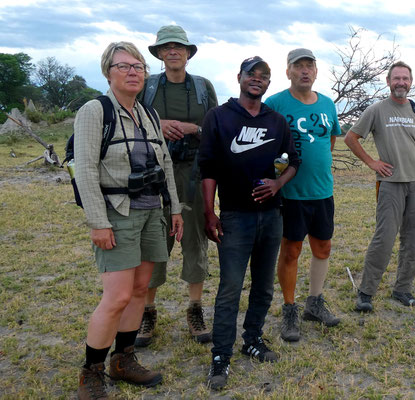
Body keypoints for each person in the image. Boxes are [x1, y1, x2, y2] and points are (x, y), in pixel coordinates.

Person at [74, 41, 183, 399]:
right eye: (124, 66)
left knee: (140, 290)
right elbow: (86, 169)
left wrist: (176, 209)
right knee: (116, 296)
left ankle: (124, 360)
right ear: (108, 72)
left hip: (152, 212)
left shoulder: (147, 113)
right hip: (117, 212)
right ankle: (91, 371)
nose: (133, 71)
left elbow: (165, 164)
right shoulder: (95, 110)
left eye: (138, 66)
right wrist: (97, 221)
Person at [198, 56, 299, 390]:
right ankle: (221, 356)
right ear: (239, 77)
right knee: (229, 288)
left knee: (264, 285)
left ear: (269, 83)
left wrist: (277, 184)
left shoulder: (277, 121)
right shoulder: (219, 117)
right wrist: (209, 212)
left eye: (264, 76)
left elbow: (292, 163)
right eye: (251, 74)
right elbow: (208, 167)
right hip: (234, 217)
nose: (257, 80)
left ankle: (252, 339)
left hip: (271, 216)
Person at [134, 25, 218, 347]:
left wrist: (192, 127)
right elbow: (132, 119)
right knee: (154, 240)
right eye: (166, 47)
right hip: (153, 172)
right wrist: (159, 125)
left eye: (179, 47)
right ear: (158, 53)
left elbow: (215, 127)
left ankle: (195, 309)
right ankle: (148, 311)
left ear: (188, 53)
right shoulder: (148, 86)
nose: (173, 51)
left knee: (196, 237)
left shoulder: (202, 87)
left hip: (194, 172)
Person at [344, 61, 415, 312]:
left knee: (413, 240)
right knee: (384, 239)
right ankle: (366, 292)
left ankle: (402, 289)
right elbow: (350, 138)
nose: (401, 83)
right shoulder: (377, 110)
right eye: (396, 78)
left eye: (405, 79)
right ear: (388, 82)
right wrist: (372, 162)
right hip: (391, 184)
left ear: (410, 82)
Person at [264, 48, 341, 342]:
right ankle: (289, 309)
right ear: (288, 72)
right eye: (299, 66)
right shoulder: (275, 104)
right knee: (291, 250)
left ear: (317, 72)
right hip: (290, 193)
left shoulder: (327, 104)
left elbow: (330, 139)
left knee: (323, 248)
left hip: (322, 190)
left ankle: (315, 303)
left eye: (310, 66)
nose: (305, 71)